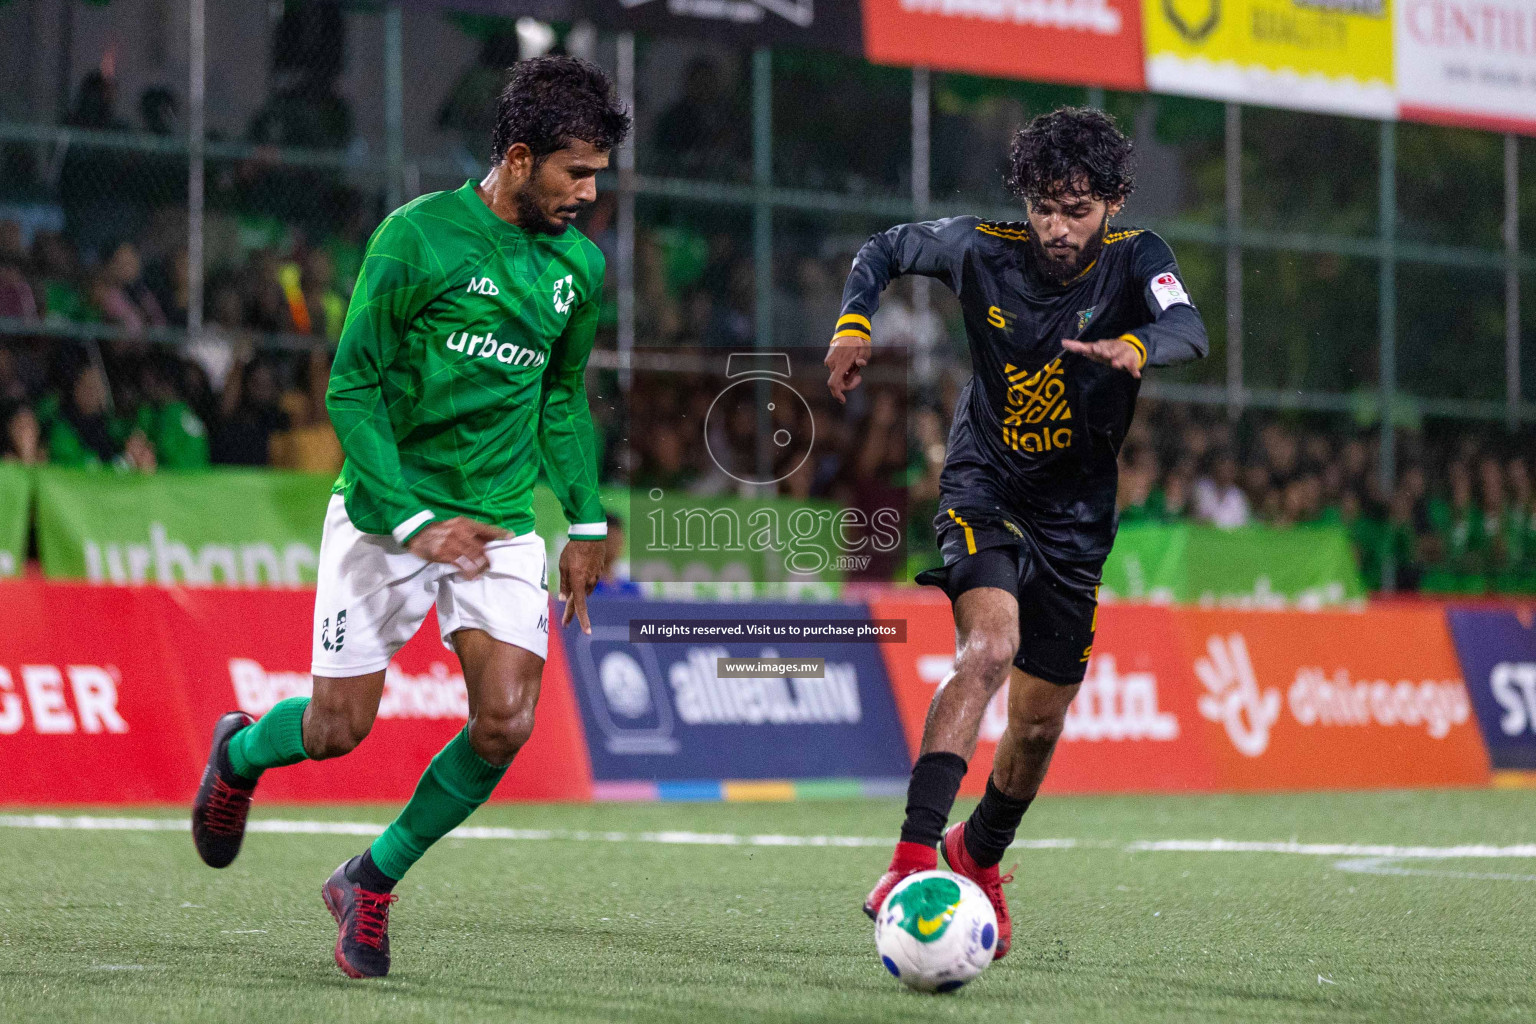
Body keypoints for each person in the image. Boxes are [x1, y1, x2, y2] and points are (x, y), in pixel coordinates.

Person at [188, 55, 629, 981]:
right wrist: (416, 518)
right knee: (337, 728)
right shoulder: (416, 239)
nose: (590, 193)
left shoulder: (579, 269)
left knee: (505, 721)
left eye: (597, 173)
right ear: (518, 157)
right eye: (576, 172)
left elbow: (559, 398)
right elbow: (350, 388)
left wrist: (586, 522)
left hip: (501, 523)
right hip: (388, 515)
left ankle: (371, 879)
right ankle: (239, 751)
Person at [824, 107, 1208, 959]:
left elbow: (1190, 329)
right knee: (987, 650)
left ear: (1112, 201)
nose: (1056, 227)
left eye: (1075, 209)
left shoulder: (1139, 258)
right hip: (983, 486)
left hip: (1076, 519)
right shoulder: (980, 248)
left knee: (1037, 725)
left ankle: (979, 855)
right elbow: (883, 250)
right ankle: (912, 857)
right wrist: (854, 324)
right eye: (1043, 207)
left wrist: (1137, 348)